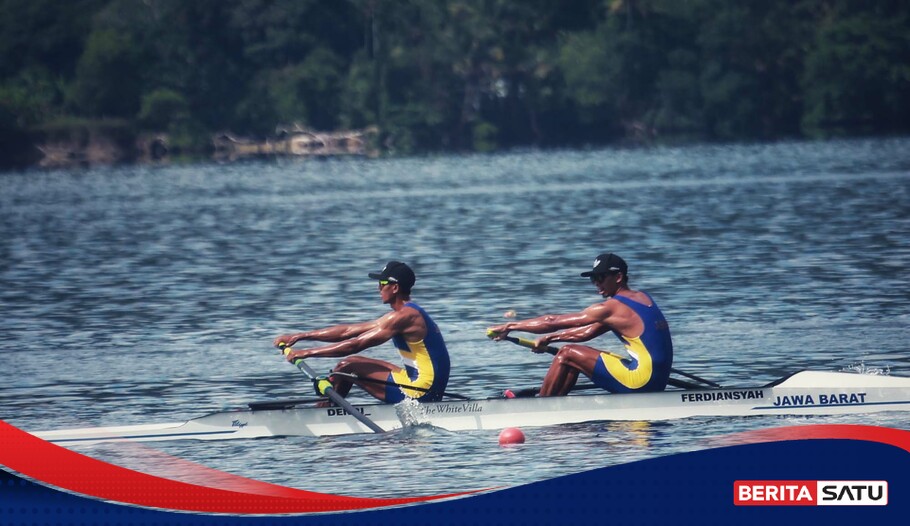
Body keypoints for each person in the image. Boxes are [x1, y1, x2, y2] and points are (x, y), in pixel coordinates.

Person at [488, 253, 672, 396]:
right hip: (657, 381)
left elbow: (552, 321)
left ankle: (543, 405)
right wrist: (550, 339)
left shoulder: (609, 308)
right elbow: (585, 333)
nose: (596, 284)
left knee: (567, 353)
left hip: (641, 381)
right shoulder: (643, 298)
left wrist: (509, 326)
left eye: (601, 277)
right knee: (572, 356)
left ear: (618, 277)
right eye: (593, 279)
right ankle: (554, 401)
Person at [274, 261, 451, 403]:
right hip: (421, 383)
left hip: (421, 392)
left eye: (382, 284)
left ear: (395, 288)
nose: (378, 289)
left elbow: (356, 344)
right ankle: (328, 409)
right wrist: (300, 336)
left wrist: (307, 353)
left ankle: (324, 414)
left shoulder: (405, 317)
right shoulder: (403, 314)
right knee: (351, 364)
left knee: (346, 368)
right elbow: (348, 331)